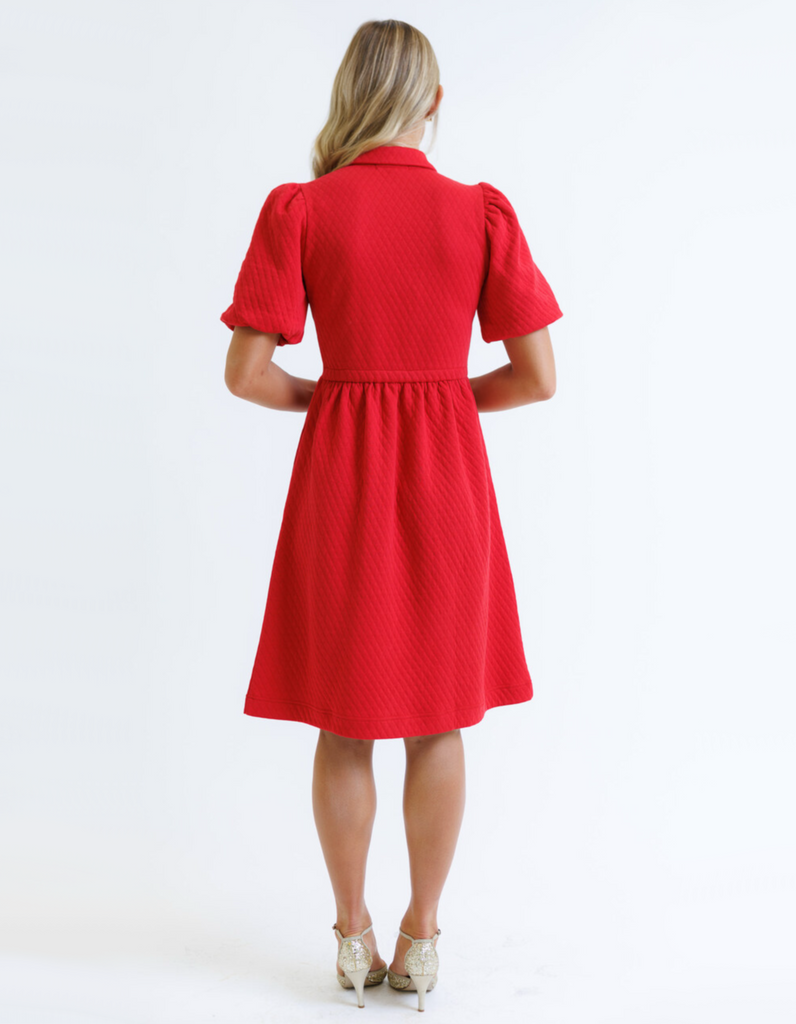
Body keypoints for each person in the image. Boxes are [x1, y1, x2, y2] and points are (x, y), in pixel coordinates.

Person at [220, 18, 562, 1012]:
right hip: (448, 478)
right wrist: (444, 395)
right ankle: (420, 937)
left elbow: (245, 371)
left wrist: (332, 398)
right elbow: (540, 376)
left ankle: (349, 930)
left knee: (344, 717)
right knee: (439, 716)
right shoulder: (478, 213)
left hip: (340, 478)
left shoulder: (303, 210)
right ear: (435, 103)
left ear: (349, 98)